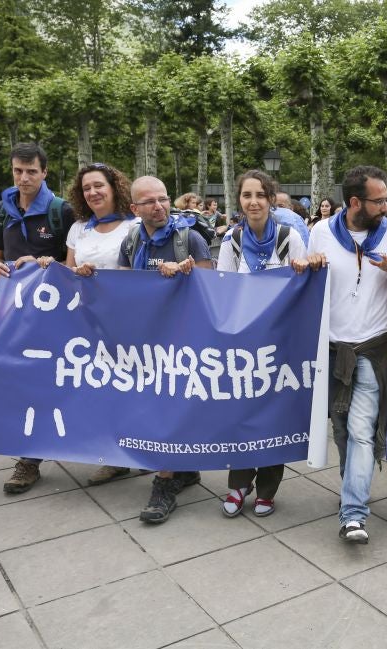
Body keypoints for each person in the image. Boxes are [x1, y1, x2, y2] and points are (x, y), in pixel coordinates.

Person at [308, 165, 387, 544]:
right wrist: (305, 264)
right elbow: (306, 278)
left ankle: (353, 514)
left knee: (361, 431)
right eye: (379, 200)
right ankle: (353, 487)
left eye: (386, 199)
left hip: (372, 347)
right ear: (355, 202)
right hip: (333, 349)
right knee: (341, 432)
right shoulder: (320, 232)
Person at [216, 169, 323, 518]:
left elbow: (305, 282)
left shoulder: (290, 237)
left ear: (271, 198)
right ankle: (238, 484)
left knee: (275, 416)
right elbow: (222, 290)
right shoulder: (232, 241)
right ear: (240, 201)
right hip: (245, 345)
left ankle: (267, 489)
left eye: (260, 195)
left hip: (282, 344)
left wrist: (305, 267)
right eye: (247, 195)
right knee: (243, 415)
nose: (253, 202)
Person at [118, 175, 214, 524]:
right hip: (146, 340)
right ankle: (183, 470)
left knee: (170, 407)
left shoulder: (190, 239)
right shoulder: (131, 240)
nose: (159, 206)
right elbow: (123, 284)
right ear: (134, 208)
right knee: (157, 406)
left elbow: (210, 293)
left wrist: (186, 275)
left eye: (163, 199)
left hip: (182, 341)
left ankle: (164, 483)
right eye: (149, 201)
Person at [0, 143, 76, 495]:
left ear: (45, 172)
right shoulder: (1, 210)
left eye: (31, 172)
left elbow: (73, 260)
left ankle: (101, 448)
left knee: (65, 381)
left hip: (58, 319)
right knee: (23, 383)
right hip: (16, 318)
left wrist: (52, 266)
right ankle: (29, 460)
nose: (24, 178)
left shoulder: (60, 211)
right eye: (18, 172)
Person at [65, 162, 138, 486]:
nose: (92, 192)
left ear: (114, 187)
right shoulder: (78, 229)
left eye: (98, 185)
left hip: (127, 319)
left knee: (134, 387)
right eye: (86, 188)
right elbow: (67, 272)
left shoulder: (134, 225)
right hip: (88, 321)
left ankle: (146, 447)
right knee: (103, 387)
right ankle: (114, 456)